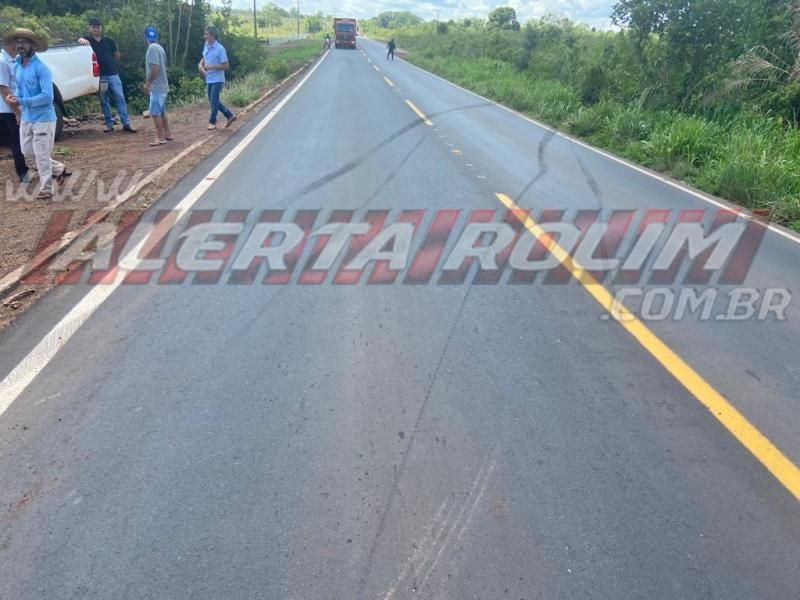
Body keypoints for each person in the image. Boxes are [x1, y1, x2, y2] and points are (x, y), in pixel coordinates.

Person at [4, 28, 70, 200]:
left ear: (32, 45)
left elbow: (48, 96)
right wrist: (15, 96)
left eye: (24, 42)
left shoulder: (41, 69)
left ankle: (47, 188)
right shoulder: (18, 66)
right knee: (27, 151)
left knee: (40, 155)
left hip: (43, 118)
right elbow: (19, 87)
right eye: (18, 41)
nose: (20, 45)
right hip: (27, 117)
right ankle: (58, 168)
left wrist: (22, 102)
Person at [78, 17, 136, 133]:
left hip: (113, 74)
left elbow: (117, 55)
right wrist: (81, 40)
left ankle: (126, 123)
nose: (96, 29)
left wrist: (110, 61)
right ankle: (109, 125)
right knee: (104, 100)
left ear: (101, 28)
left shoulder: (109, 40)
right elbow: (80, 41)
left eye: (98, 27)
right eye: (94, 27)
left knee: (120, 98)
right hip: (100, 76)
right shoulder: (87, 40)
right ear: (89, 28)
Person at [0, 36, 29, 182]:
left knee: (19, 140)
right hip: (7, 110)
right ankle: (22, 172)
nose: (20, 45)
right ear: (9, 44)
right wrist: (16, 111)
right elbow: (4, 89)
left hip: (14, 107)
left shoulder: (15, 60)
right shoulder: (2, 62)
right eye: (17, 42)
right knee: (17, 141)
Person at [198, 26, 236, 131]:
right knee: (213, 100)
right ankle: (229, 115)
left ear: (213, 36)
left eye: (207, 34)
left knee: (214, 101)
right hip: (209, 78)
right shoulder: (206, 45)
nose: (205, 36)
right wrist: (200, 65)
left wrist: (211, 67)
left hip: (218, 79)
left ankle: (212, 122)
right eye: (204, 34)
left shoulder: (220, 49)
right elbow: (204, 57)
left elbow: (226, 66)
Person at [143, 26, 172, 146]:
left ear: (145, 37)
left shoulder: (152, 49)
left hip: (157, 86)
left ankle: (160, 137)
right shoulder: (159, 47)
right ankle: (167, 134)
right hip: (162, 85)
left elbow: (155, 68)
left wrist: (148, 83)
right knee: (161, 111)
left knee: (155, 112)